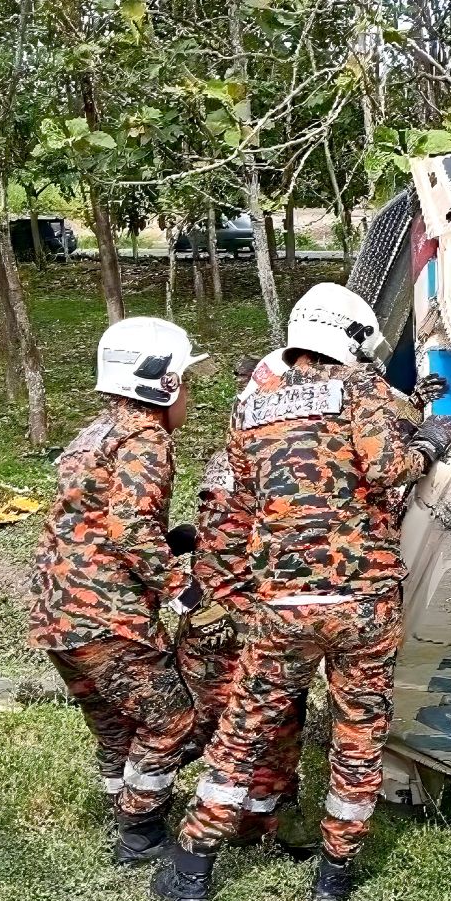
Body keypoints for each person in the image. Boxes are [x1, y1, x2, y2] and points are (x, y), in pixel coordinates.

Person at [152, 283, 451, 901]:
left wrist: (233, 600)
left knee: (245, 731)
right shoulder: (362, 389)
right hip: (363, 606)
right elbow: (387, 467)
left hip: (281, 608)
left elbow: (234, 517)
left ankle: (191, 869)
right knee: (358, 733)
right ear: (350, 338)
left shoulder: (251, 410)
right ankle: (334, 873)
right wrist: (431, 440)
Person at [29, 317, 207, 864]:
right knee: (172, 717)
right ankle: (141, 829)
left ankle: (123, 811)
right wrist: (185, 590)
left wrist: (170, 540)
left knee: (114, 725)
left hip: (57, 614)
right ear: (164, 384)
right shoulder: (146, 438)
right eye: (186, 382)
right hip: (105, 616)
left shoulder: (96, 432)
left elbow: (91, 520)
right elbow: (129, 529)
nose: (189, 395)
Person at [174, 354, 306, 845]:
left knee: (274, 724)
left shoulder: (263, 456)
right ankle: (239, 828)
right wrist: (248, 619)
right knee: (241, 729)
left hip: (251, 616)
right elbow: (219, 557)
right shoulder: (242, 461)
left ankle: (264, 818)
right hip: (231, 625)